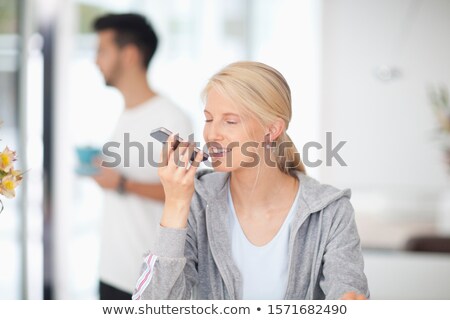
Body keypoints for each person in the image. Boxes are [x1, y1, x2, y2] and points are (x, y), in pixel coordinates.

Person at [132, 61, 369, 300]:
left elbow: (348, 292)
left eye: (230, 121)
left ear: (272, 129)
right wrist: (176, 203)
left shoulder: (331, 212)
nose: (212, 134)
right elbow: (152, 306)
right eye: (209, 119)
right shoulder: (197, 201)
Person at [92, 13, 193, 299]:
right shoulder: (125, 113)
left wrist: (123, 183)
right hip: (110, 270)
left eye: (102, 51)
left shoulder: (171, 118)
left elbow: (186, 192)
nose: (95, 60)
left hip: (143, 279)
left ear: (130, 55)